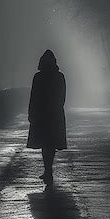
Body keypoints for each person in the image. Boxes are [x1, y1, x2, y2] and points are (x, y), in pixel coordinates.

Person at [27, 50, 67, 185]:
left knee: (45, 144)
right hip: (54, 115)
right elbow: (62, 96)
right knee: (51, 144)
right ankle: (48, 169)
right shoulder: (59, 76)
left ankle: (47, 169)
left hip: (41, 114)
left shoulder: (38, 77)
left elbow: (33, 97)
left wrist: (31, 113)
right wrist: (56, 108)